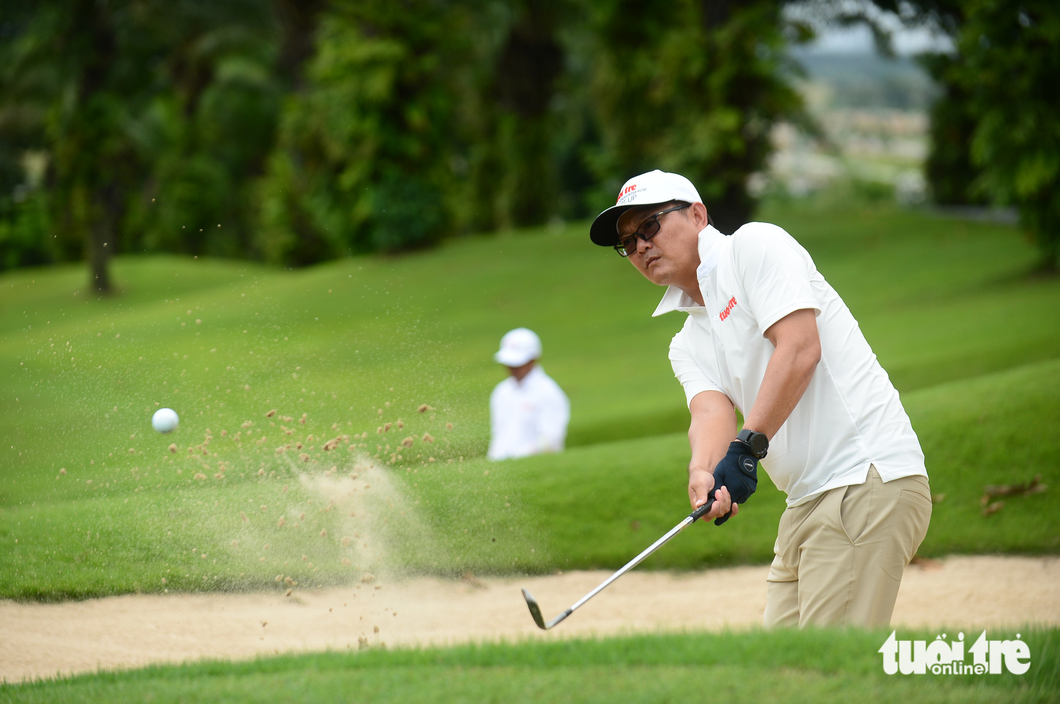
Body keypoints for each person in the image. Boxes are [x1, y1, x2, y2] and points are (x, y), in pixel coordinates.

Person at [589, 169, 932, 628]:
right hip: (805, 503)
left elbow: (800, 348)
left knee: (823, 680)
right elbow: (711, 413)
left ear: (697, 215)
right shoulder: (687, 342)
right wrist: (704, 472)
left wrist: (749, 446)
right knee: (779, 674)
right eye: (627, 243)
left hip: (864, 478)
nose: (640, 247)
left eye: (648, 226)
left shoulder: (753, 247)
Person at [487, 328, 571, 461]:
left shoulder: (549, 393)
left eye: (517, 363)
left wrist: (515, 456)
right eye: (508, 363)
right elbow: (498, 435)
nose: (512, 368)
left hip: (537, 468)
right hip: (501, 467)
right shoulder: (501, 392)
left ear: (534, 359)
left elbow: (551, 440)